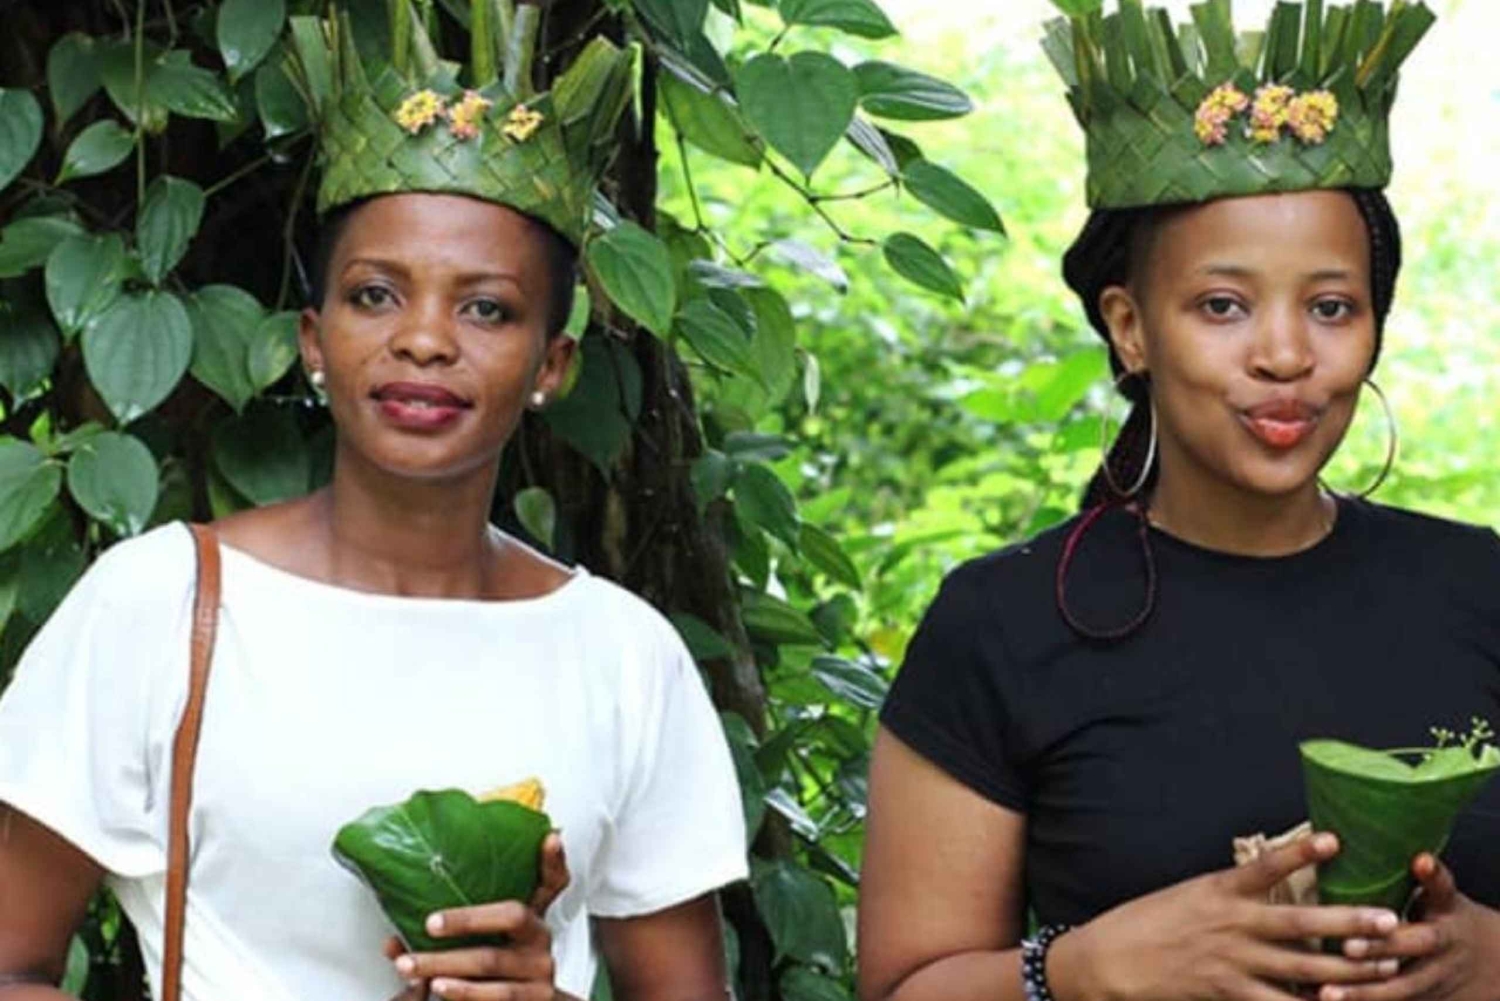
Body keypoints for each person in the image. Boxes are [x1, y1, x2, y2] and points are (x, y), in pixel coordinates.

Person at [0, 5, 745, 1000]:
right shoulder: (162, 602)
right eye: (375, 295)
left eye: (486, 307)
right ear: (313, 338)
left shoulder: (621, 653)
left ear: (551, 364)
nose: (425, 340)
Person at [858, 3, 1500, 1001]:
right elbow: (903, 988)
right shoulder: (1001, 624)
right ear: (1130, 326)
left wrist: (1483, 959)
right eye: (1222, 305)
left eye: (1331, 306)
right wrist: (1084, 966)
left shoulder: (1480, 589)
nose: (1285, 355)